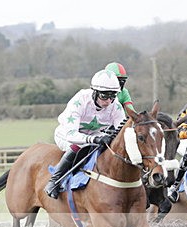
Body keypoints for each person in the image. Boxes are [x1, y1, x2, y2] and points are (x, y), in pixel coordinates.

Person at [45, 69, 126, 199]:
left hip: (95, 135)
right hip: (67, 135)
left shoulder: (115, 106)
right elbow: (72, 135)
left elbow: (123, 132)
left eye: (112, 96)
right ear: (94, 92)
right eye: (104, 96)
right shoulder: (80, 100)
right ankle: (54, 180)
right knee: (79, 146)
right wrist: (95, 139)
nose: (108, 102)